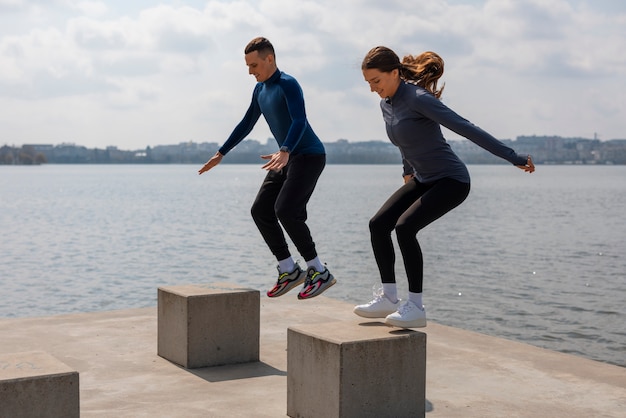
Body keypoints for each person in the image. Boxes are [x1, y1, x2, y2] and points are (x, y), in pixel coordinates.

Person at [354, 46, 535, 328]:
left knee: (404, 227)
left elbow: (465, 127)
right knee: (378, 224)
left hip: (452, 180)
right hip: (423, 178)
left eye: (376, 81)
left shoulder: (418, 98)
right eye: (368, 83)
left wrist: (513, 157)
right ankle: (389, 297)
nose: (372, 89)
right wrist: (407, 171)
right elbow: (403, 141)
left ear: (394, 73)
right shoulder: (386, 104)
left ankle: (415, 307)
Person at [198, 36, 336, 300]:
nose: (250, 71)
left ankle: (318, 271)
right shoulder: (260, 90)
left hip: (307, 155)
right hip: (285, 155)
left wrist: (285, 150)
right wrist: (221, 153)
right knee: (260, 210)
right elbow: (247, 122)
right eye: (248, 66)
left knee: (286, 210)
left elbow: (299, 120)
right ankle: (289, 269)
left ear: (269, 58)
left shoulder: (288, 84)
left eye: (254, 65)